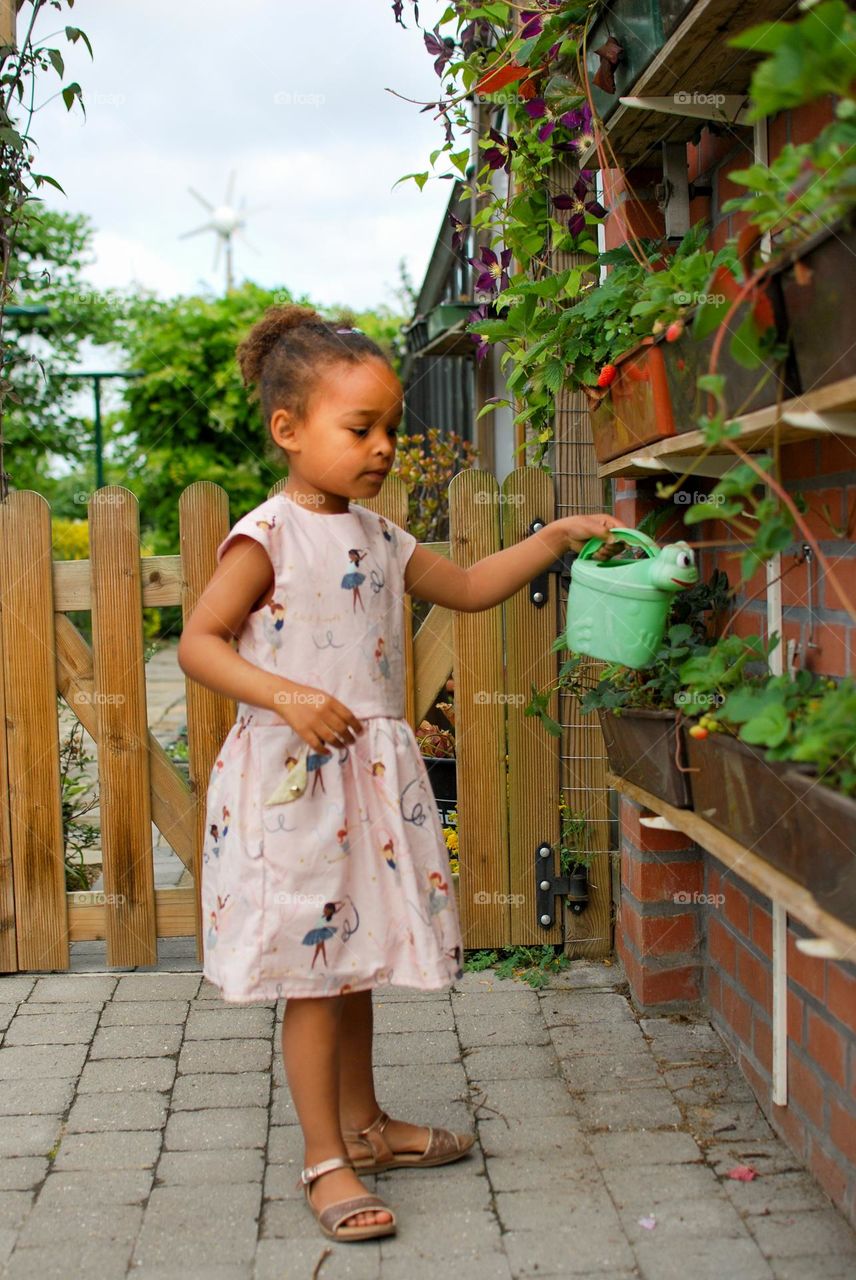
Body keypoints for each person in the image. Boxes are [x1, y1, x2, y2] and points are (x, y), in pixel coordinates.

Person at [178, 303, 621, 1243]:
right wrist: (286, 694)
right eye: (360, 429)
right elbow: (200, 644)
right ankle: (323, 1157)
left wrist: (552, 540)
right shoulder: (266, 538)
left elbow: (462, 588)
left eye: (391, 429)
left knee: (355, 959)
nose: (381, 447)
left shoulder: (379, 539)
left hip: (365, 783)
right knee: (312, 974)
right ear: (288, 430)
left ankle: (368, 1127)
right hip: (294, 784)